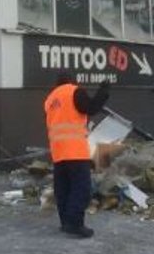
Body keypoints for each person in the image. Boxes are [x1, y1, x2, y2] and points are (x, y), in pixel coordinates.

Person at [44, 74, 109, 239]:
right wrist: (104, 91)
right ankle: (75, 224)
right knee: (81, 189)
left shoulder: (50, 99)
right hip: (75, 150)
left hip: (58, 151)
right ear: (72, 81)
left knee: (63, 189)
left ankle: (65, 222)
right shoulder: (74, 92)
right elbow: (91, 108)